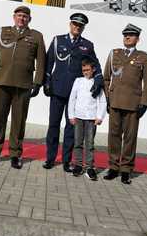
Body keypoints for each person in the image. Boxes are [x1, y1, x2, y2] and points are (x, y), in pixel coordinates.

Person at [0, 6, 46, 168]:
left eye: (25, 16)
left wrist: (38, 82)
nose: (21, 18)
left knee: (19, 121)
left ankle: (15, 154)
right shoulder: (2, 31)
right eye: (19, 15)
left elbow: (41, 62)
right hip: (1, 81)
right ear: (14, 17)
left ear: (29, 19)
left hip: (23, 84)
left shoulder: (36, 36)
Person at [43, 13, 104, 172]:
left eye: (80, 25)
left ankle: (66, 161)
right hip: (57, 89)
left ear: (83, 28)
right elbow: (49, 62)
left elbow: (95, 65)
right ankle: (50, 158)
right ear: (70, 24)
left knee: (71, 128)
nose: (77, 27)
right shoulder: (58, 40)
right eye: (75, 24)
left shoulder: (87, 45)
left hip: (75, 93)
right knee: (53, 125)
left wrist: (98, 80)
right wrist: (46, 81)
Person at [103, 24, 147, 184]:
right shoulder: (114, 54)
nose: (127, 37)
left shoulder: (144, 57)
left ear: (137, 39)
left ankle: (126, 169)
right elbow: (106, 78)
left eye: (131, 35)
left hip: (133, 104)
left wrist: (144, 103)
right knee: (114, 136)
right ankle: (113, 167)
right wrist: (107, 98)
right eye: (125, 34)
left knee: (130, 138)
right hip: (115, 101)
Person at [68, 58, 107, 181]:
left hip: (91, 118)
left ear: (93, 69)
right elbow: (72, 98)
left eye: (88, 70)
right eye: (83, 70)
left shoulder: (97, 82)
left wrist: (100, 116)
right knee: (78, 142)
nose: (85, 72)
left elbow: (102, 101)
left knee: (89, 144)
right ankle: (78, 165)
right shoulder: (78, 81)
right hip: (78, 117)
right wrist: (71, 115)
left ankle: (90, 167)